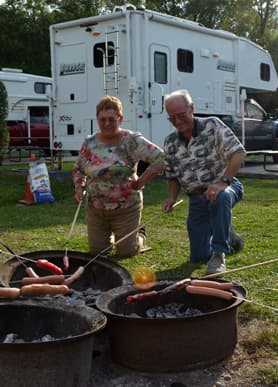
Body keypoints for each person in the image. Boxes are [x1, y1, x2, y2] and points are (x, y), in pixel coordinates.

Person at [162, 89, 246, 275]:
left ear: (192, 108)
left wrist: (223, 182)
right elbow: (172, 175)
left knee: (221, 198)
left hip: (227, 186)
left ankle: (219, 254)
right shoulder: (170, 142)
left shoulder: (212, 125)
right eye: (172, 118)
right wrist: (172, 197)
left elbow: (238, 153)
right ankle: (229, 235)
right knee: (198, 256)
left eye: (181, 115)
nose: (177, 121)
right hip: (197, 200)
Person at [72, 95, 165, 257]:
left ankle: (140, 235)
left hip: (126, 208)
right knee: (98, 253)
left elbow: (161, 158)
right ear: (97, 119)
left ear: (120, 119)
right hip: (96, 208)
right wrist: (79, 187)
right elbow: (78, 168)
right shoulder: (89, 142)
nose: (107, 124)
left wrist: (142, 180)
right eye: (102, 120)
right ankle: (118, 236)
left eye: (111, 119)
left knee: (127, 252)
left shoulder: (131, 141)